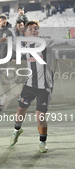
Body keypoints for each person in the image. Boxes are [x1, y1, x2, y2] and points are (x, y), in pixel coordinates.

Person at [10, 20, 75, 153]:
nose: (34, 31)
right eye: (31, 29)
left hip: (44, 87)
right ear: (26, 33)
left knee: (39, 115)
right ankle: (17, 130)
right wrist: (5, 39)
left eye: (36, 29)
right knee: (20, 111)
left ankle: (42, 141)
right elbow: (13, 44)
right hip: (29, 85)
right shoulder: (23, 44)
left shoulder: (46, 41)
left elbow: (65, 42)